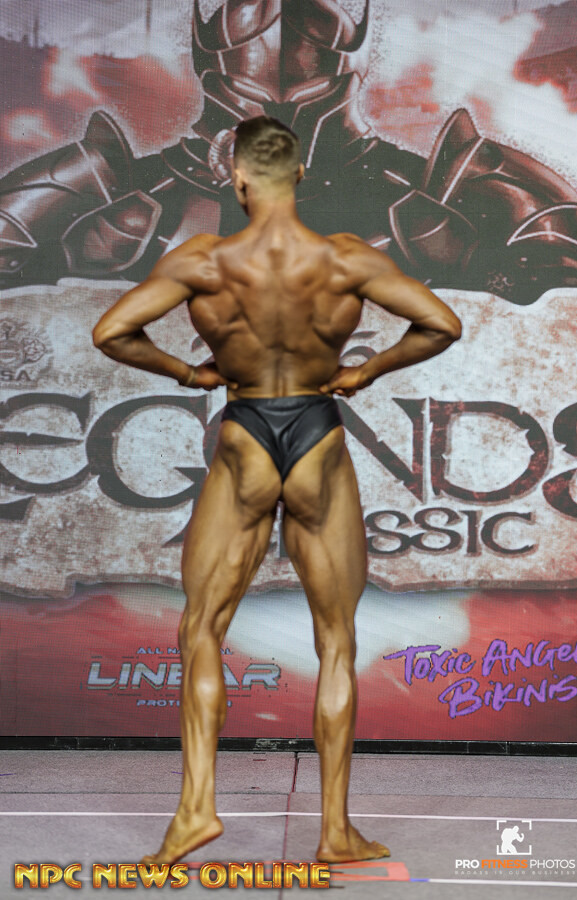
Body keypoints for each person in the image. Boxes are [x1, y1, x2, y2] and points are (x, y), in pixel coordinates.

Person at [92, 115, 461, 865]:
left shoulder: (203, 259)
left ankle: (195, 813)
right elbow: (440, 324)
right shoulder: (346, 257)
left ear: (236, 181)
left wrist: (190, 372)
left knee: (201, 628)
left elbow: (112, 333)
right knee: (337, 641)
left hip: (246, 431)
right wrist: (363, 371)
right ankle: (335, 831)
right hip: (318, 435)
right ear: (300, 175)